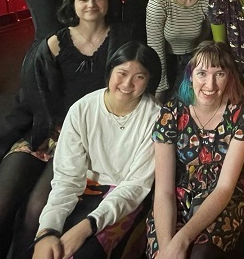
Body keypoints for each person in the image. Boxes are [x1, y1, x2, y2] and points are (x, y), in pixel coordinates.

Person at [0, 0, 133, 259]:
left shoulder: (121, 40)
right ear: (72, 3)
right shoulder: (54, 44)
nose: (91, 4)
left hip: (81, 140)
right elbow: (26, 103)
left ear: (108, 3)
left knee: (35, 212)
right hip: (43, 134)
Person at [32, 41, 161, 259]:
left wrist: (86, 227)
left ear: (149, 81)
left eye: (139, 77)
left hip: (122, 194)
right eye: (122, 73)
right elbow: (68, 177)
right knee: (46, 244)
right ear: (110, 71)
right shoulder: (82, 109)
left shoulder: (156, 118)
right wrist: (47, 231)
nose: (128, 83)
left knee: (84, 253)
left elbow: (135, 186)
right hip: (84, 186)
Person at [146, 41, 244, 259]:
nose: (210, 84)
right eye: (202, 73)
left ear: (229, 77)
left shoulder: (240, 113)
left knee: (200, 255)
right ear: (190, 75)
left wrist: (182, 239)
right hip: (178, 194)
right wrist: (168, 247)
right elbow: (164, 189)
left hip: (222, 197)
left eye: (219, 74)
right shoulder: (171, 112)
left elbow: (224, 187)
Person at [146, 0, 210, 99]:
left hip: (193, 62)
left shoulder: (206, 3)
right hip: (164, 64)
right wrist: (159, 89)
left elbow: (204, 42)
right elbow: (155, 50)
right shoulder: (159, 2)